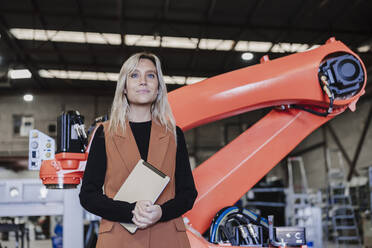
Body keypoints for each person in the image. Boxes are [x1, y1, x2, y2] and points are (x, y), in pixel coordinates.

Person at [79, 52, 198, 248]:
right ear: (124, 88)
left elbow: (188, 194)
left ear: (158, 87)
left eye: (150, 75)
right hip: (119, 239)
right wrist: (130, 211)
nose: (143, 81)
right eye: (134, 75)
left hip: (167, 238)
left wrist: (161, 212)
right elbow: (88, 195)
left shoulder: (173, 135)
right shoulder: (104, 134)